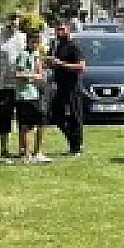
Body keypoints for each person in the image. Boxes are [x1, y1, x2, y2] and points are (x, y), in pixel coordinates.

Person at [0, 13, 26, 160]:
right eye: (12, 20)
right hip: (4, 85)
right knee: (4, 118)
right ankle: (4, 149)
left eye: (17, 21)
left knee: (23, 118)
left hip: (22, 87)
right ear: (7, 21)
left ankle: (23, 149)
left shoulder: (23, 38)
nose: (14, 23)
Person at [45, 19, 87, 156]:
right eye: (57, 30)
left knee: (75, 115)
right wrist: (49, 63)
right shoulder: (56, 46)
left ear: (68, 29)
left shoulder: (74, 46)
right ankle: (73, 142)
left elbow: (81, 66)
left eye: (62, 29)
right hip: (60, 85)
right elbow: (53, 64)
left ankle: (77, 146)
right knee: (56, 115)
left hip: (73, 86)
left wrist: (61, 64)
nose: (59, 32)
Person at [13, 30, 51, 163]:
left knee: (41, 123)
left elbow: (40, 72)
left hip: (36, 94)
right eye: (33, 42)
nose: (36, 44)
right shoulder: (23, 55)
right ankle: (25, 153)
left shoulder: (36, 55)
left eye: (37, 42)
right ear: (28, 41)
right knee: (25, 126)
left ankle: (37, 152)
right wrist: (33, 76)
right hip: (25, 95)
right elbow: (17, 74)